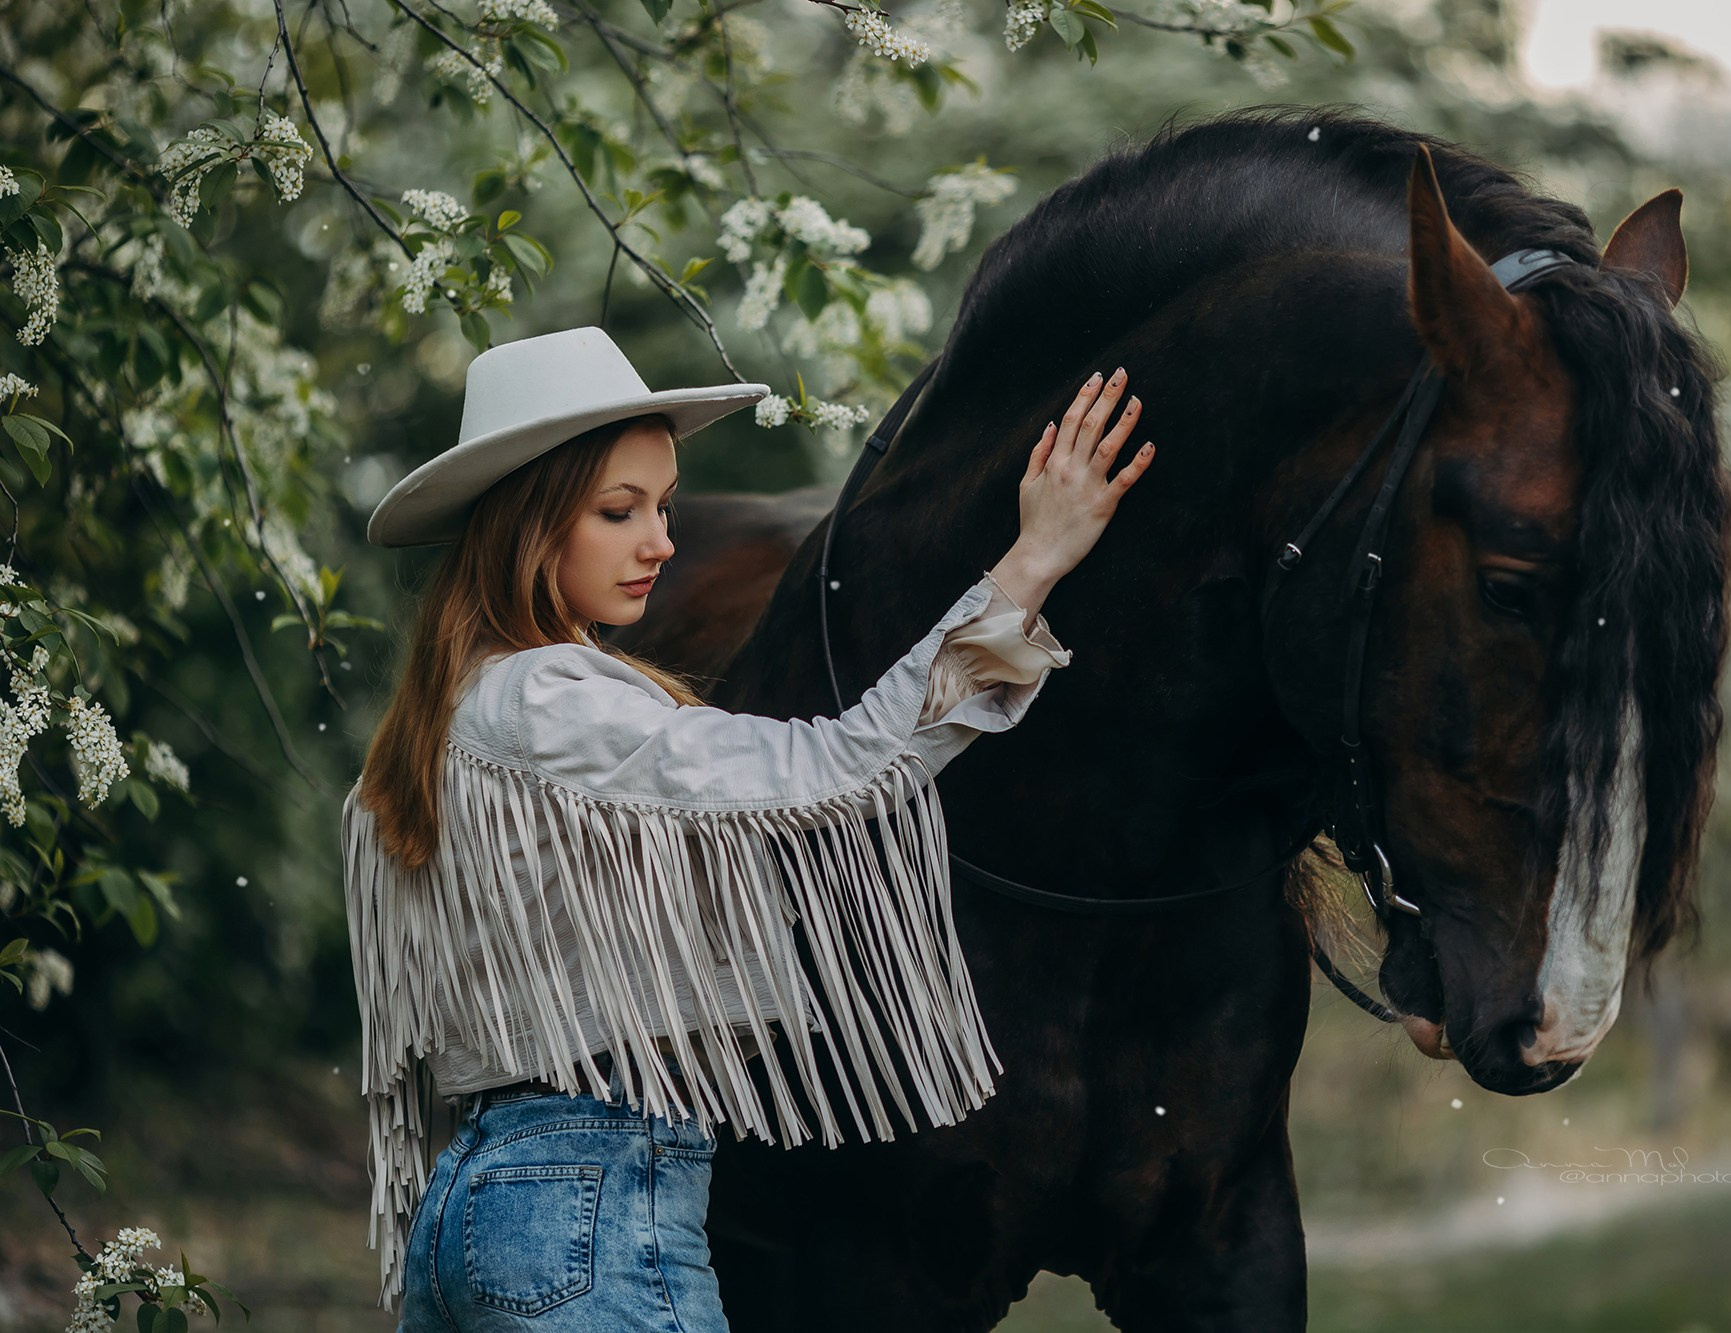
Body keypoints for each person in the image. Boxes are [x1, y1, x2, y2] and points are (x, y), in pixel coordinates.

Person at [340, 325, 1155, 1327]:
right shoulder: (552, 698)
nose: (662, 543)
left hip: (475, 1197)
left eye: (665, 506)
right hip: (593, 1192)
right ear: (526, 521)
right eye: (618, 510)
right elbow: (835, 771)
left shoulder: (447, 718)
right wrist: (1033, 560)